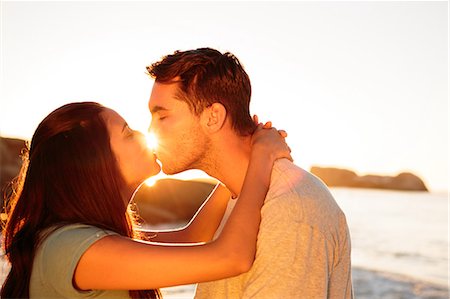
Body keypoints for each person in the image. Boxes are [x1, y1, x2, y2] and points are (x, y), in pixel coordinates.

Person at [1, 102, 291, 299]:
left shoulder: (83, 240)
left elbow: (193, 236)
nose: (143, 134)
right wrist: (262, 160)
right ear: (95, 163)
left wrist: (241, 163)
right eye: (127, 133)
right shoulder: (73, 248)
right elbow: (232, 257)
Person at [146, 48, 353, 298]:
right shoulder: (240, 196)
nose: (150, 131)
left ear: (213, 117)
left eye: (162, 116)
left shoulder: (290, 209)